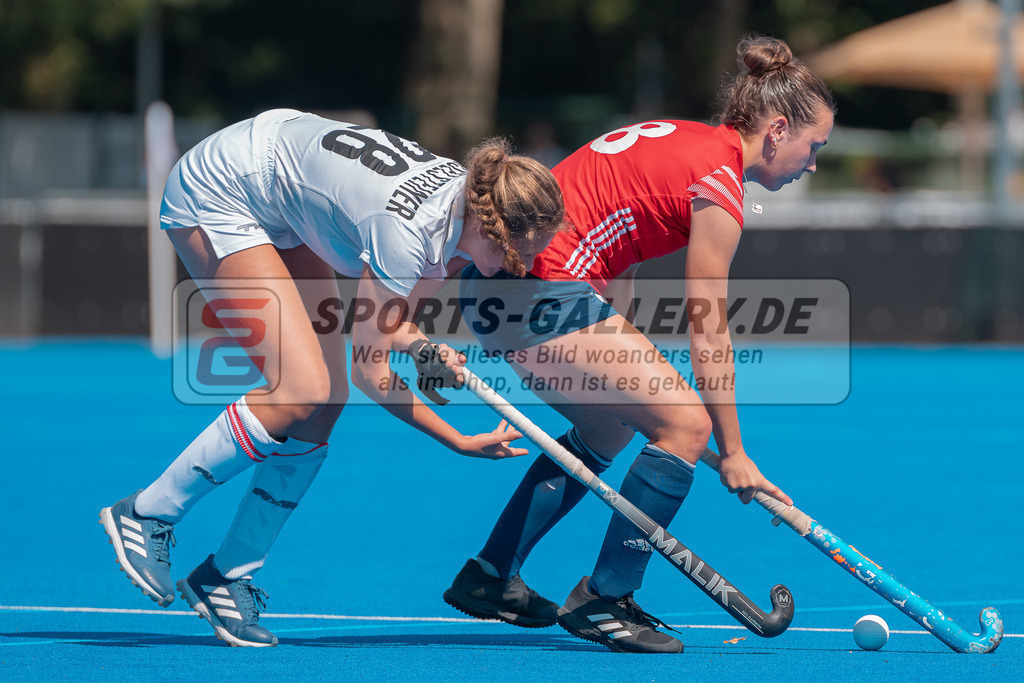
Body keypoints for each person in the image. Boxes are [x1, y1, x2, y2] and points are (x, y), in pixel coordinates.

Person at [100, 109, 565, 647]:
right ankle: (146, 513)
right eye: (520, 251)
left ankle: (226, 576)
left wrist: (423, 349)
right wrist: (458, 440)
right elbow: (371, 372)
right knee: (300, 389)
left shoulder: (464, 215)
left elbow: (395, 326)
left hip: (282, 198)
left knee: (325, 404)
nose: (526, 266)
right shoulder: (409, 233)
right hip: (224, 187)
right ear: (489, 227)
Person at [442, 35, 835, 653]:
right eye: (814, 147)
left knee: (609, 431)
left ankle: (491, 575)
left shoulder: (685, 139)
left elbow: (616, 248)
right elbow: (707, 320)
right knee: (684, 426)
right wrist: (732, 449)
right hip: (536, 291)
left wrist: (626, 361)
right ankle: (604, 598)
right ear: (779, 129)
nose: (812, 163)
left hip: (504, 291)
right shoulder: (719, 182)